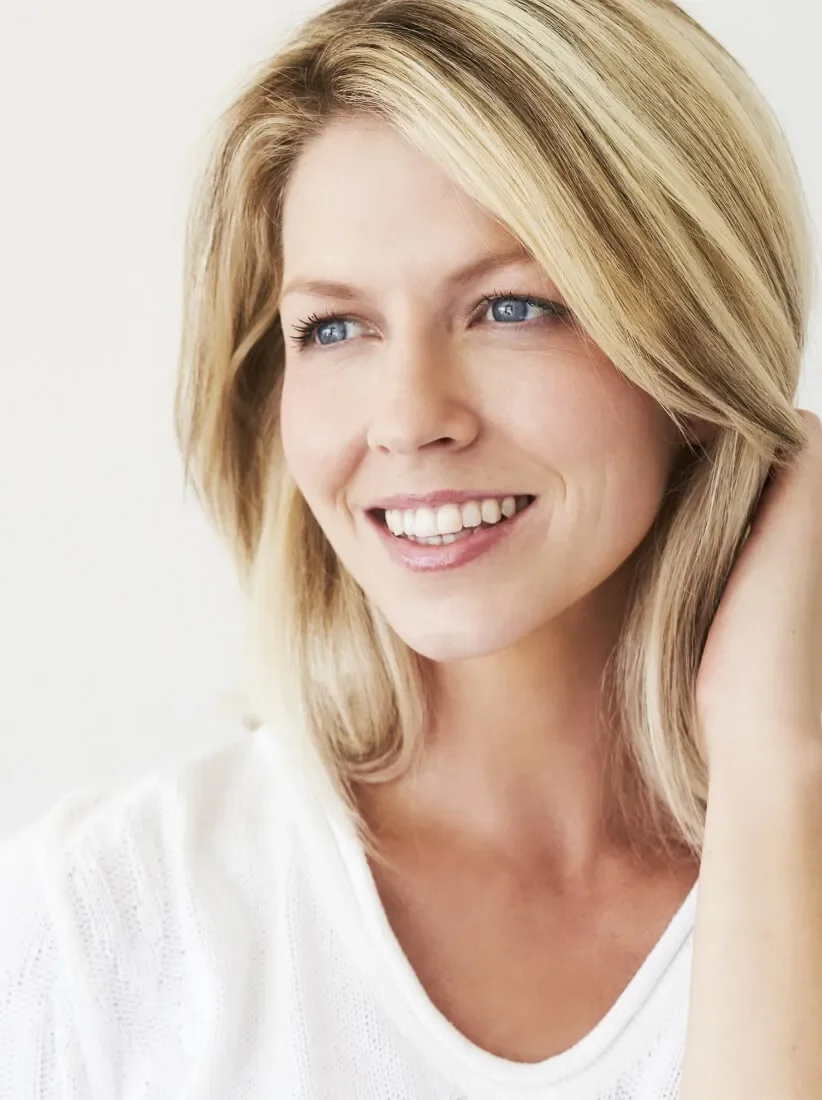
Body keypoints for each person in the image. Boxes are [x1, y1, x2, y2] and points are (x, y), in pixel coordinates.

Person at [1, 0, 816, 1097]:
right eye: (334, 327)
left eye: (511, 307)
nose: (407, 417)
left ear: (694, 349)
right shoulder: (108, 923)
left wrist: (776, 772)